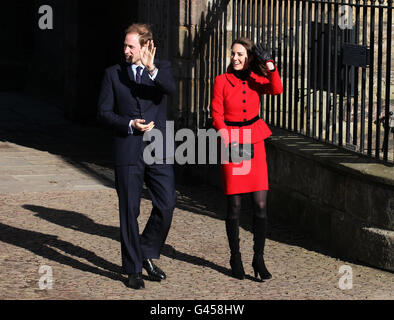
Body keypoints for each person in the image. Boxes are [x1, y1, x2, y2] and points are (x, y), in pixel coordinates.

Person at [97, 23, 177, 289]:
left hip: (158, 147)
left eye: (131, 46)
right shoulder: (113, 73)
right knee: (129, 210)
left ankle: (145, 251)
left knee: (166, 204)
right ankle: (133, 268)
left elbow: (170, 89)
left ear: (146, 46)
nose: (126, 50)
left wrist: (152, 69)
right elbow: (104, 113)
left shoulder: (161, 69)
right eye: (125, 45)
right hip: (128, 147)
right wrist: (129, 124)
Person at [211, 37, 283, 281]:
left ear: (249, 57)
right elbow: (216, 114)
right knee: (235, 206)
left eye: (240, 54)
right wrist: (226, 138)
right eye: (233, 53)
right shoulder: (221, 80)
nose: (235, 58)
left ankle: (258, 258)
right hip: (232, 141)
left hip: (254, 139)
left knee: (261, 205)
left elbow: (276, 89)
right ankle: (235, 257)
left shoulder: (256, 79)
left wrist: (270, 64)